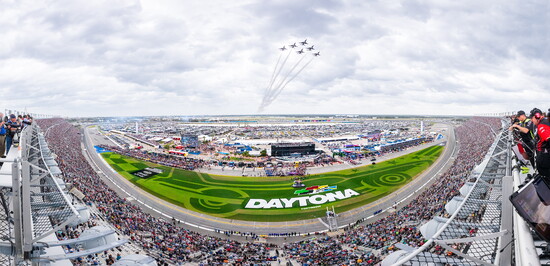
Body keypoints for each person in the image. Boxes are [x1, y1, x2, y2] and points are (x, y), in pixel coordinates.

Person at [530, 108, 550, 177]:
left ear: (537, 116)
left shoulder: (542, 125)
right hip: (544, 155)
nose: (531, 120)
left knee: (545, 178)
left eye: (532, 118)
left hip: (545, 157)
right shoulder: (545, 122)